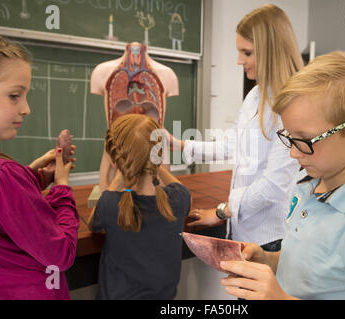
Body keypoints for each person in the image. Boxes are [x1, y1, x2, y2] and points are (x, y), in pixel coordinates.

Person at [219, 51, 345, 300]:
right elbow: (308, 265)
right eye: (289, 138)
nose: (293, 153)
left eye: (304, 141)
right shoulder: (307, 188)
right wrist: (268, 259)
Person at [167, 4, 303, 252]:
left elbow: (274, 185)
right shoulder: (256, 95)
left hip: (269, 240)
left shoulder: (291, 105)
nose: (239, 61)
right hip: (243, 231)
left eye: (247, 53)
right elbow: (232, 145)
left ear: (271, 50)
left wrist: (222, 211)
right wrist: (179, 145)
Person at [0, 31, 79, 299]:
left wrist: (32, 176)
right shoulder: (2, 176)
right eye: (14, 95)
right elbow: (62, 254)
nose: (26, 109)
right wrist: (61, 188)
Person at [87, 114, 191, 300]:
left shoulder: (110, 203)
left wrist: (119, 176)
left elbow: (92, 222)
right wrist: (155, 167)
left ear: (114, 160)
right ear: (159, 156)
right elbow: (180, 186)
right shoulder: (179, 199)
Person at [90, 42, 179, 192]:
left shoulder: (167, 74)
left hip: (153, 148)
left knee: (112, 198)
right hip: (119, 147)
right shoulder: (101, 72)